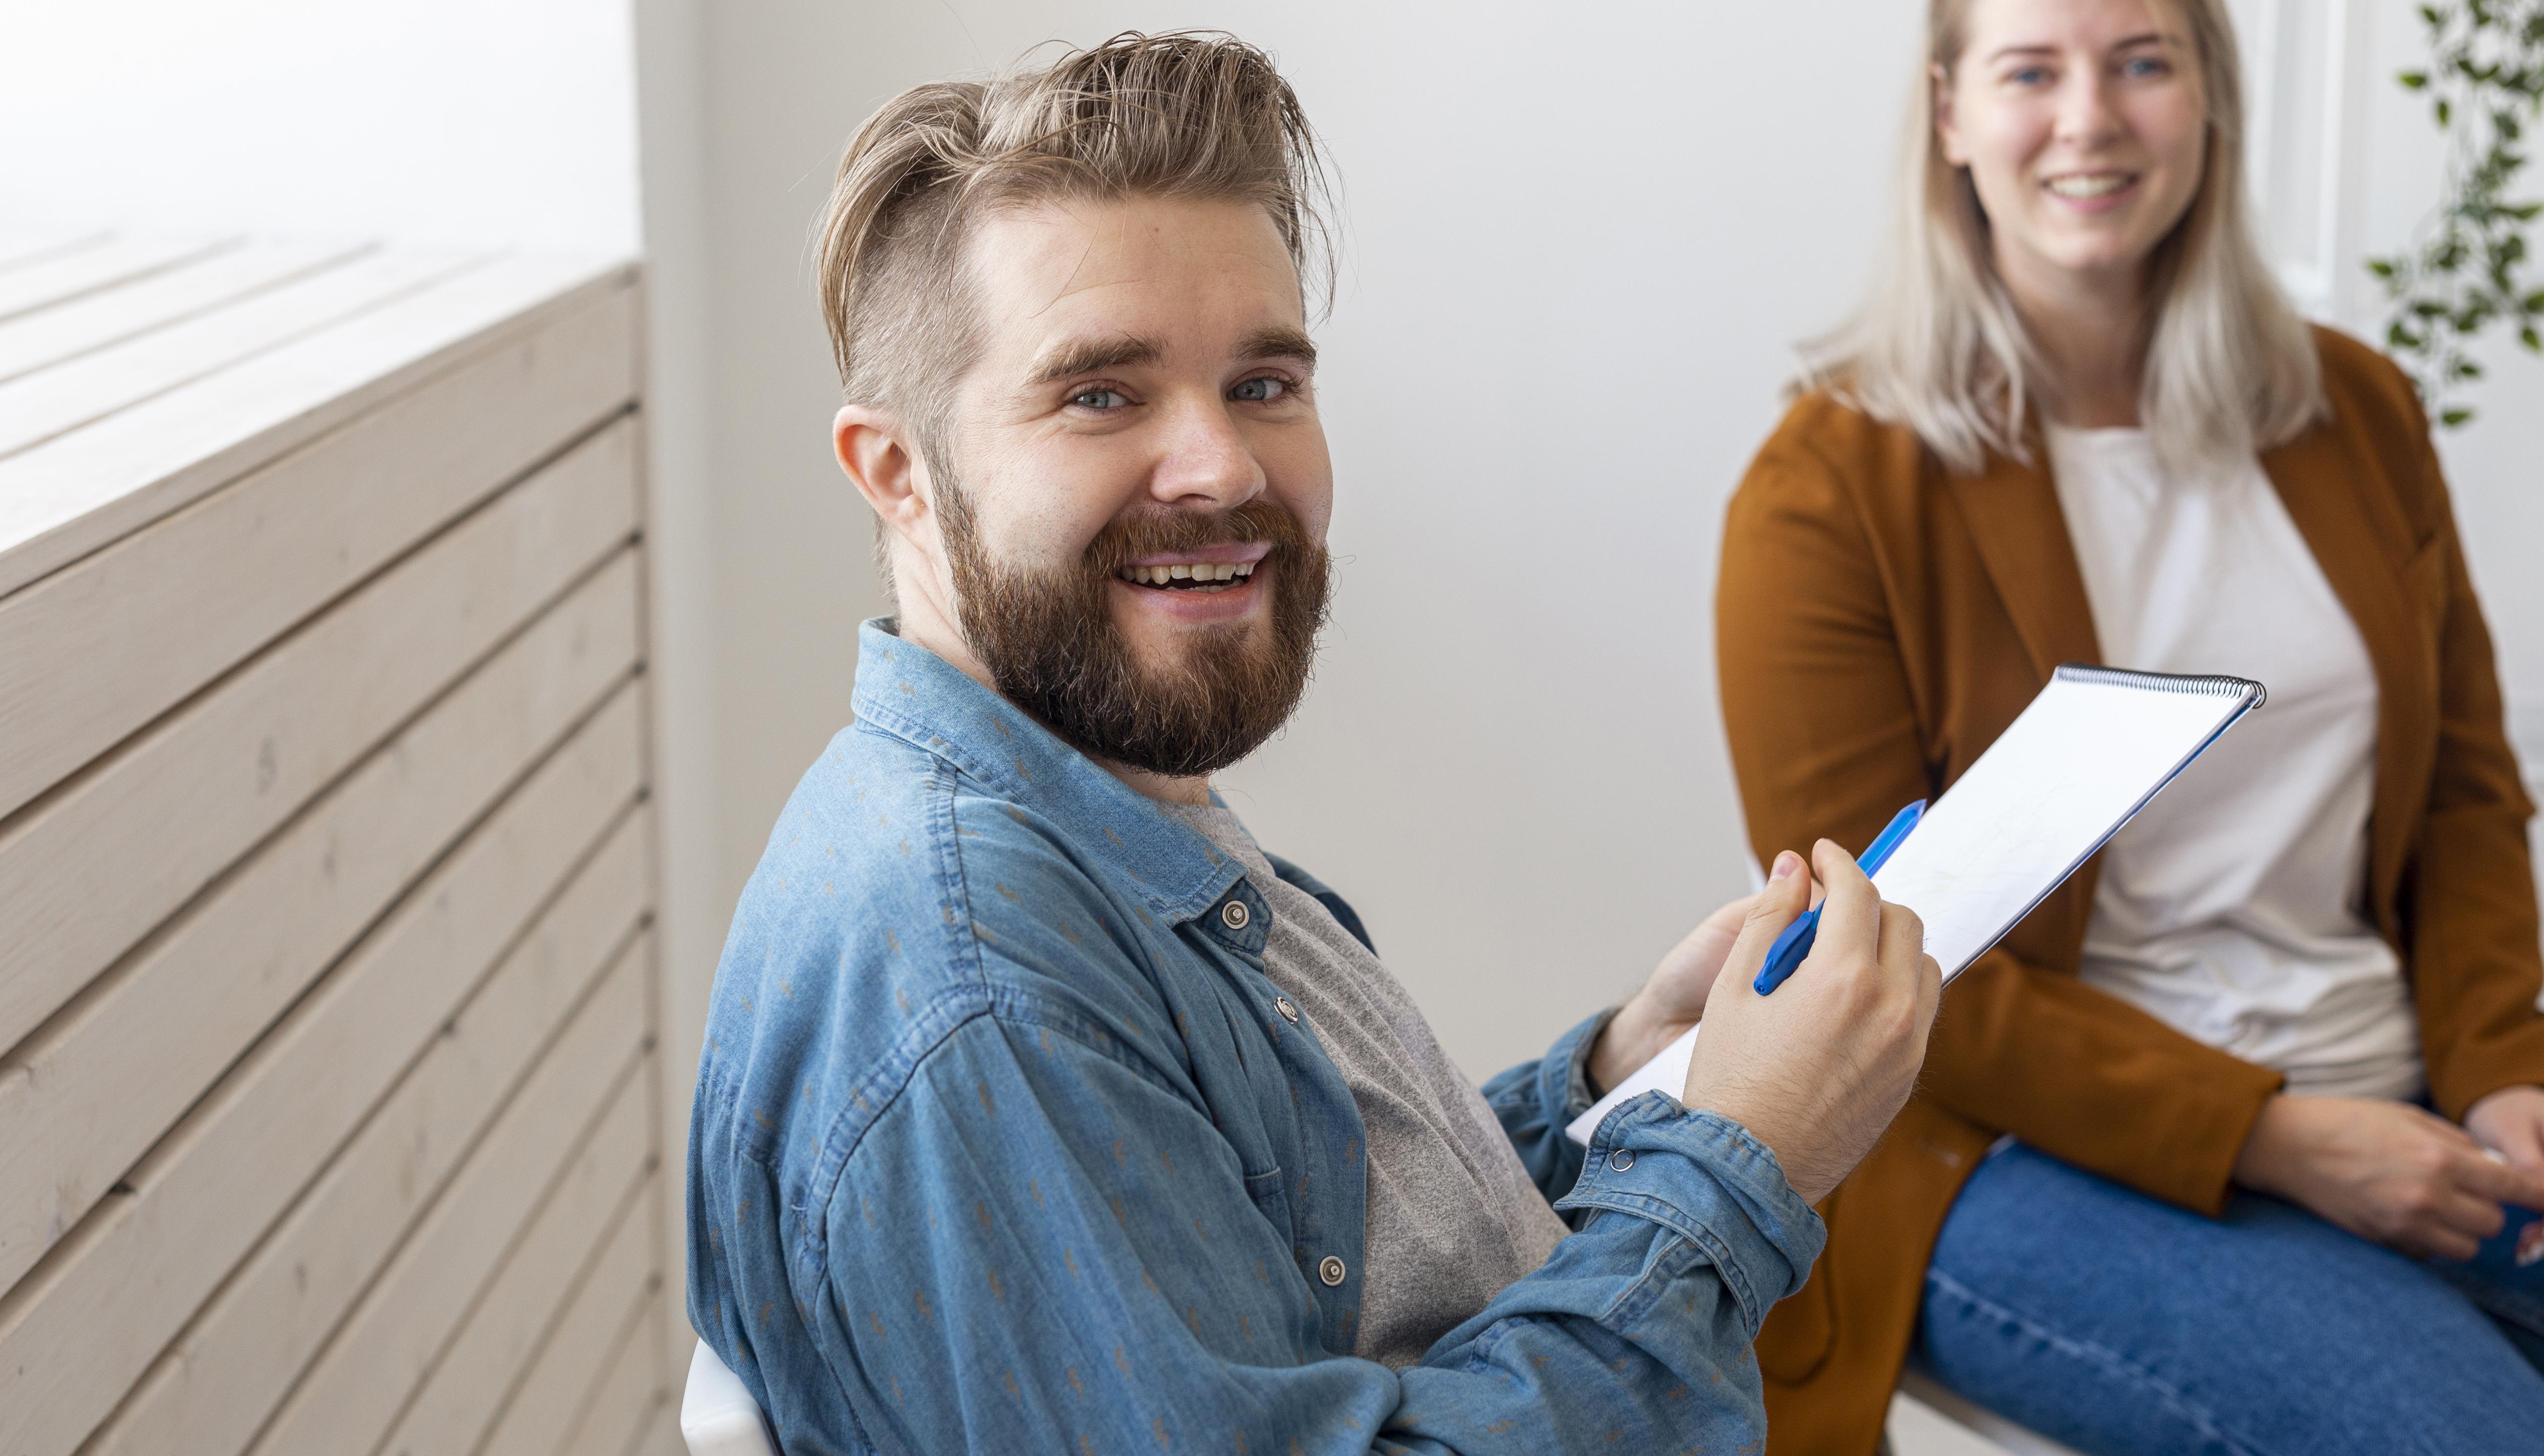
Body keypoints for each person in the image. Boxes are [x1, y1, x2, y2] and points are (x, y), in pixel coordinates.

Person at [685, 31, 1940, 1456]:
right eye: (1102, 393)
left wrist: (1613, 1085)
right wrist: (1738, 1167)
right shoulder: (980, 991)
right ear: (900, 474)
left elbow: (1296, 1246)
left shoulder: (1097, 802)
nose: (1220, 463)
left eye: (1263, 383)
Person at [1716, 0, 2544, 1452]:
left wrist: (2502, 1073)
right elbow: (1859, 951)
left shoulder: (2353, 409)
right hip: (2014, 1146)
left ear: (2208, 99)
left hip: (2403, 1079)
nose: (2088, 117)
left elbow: (2465, 797)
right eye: (2030, 70)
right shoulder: (1829, 486)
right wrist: (2276, 1134)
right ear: (1949, 114)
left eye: (2141, 62)